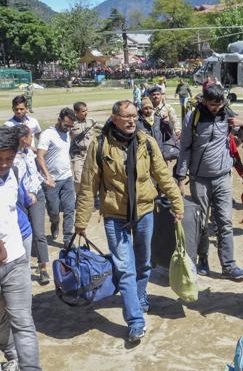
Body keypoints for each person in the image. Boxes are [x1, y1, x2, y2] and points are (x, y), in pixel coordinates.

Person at [75, 100, 184, 343]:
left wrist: (178, 204)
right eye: (126, 116)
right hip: (115, 216)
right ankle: (135, 320)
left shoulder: (146, 142)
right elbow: (87, 185)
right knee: (125, 268)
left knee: (144, 262)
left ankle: (141, 293)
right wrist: (81, 221)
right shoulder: (100, 145)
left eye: (134, 116)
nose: (132, 120)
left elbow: (163, 177)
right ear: (114, 118)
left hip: (145, 211)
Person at [175, 83, 243, 280]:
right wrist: (180, 177)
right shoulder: (193, 117)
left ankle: (229, 265)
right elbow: (184, 148)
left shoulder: (227, 113)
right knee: (201, 223)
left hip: (223, 177)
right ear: (204, 100)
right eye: (212, 104)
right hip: (199, 179)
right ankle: (203, 260)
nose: (216, 107)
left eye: (219, 103)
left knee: (225, 222)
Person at [0, 125, 41, 370]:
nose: (4, 164)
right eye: (0, 159)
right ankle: (12, 356)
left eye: (8, 158)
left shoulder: (14, 172)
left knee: (23, 322)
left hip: (15, 262)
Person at [13, 125, 50, 285]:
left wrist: (46, 180)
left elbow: (33, 174)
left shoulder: (30, 153)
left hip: (38, 196)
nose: (32, 139)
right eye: (30, 137)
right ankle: (23, 269)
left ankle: (43, 268)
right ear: (23, 138)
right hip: (20, 200)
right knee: (24, 235)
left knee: (39, 233)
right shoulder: (11, 156)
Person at [36, 108, 76, 246]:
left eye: (71, 126)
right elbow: (40, 157)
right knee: (53, 210)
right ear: (59, 120)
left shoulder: (67, 133)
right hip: (51, 181)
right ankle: (54, 223)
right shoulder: (48, 134)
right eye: (66, 125)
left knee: (70, 208)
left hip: (67, 178)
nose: (68, 128)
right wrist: (48, 177)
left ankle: (67, 238)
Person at [70, 102, 101, 193]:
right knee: (78, 180)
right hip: (78, 155)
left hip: (91, 154)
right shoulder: (71, 123)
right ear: (76, 112)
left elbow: (103, 127)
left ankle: (90, 197)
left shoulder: (91, 121)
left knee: (93, 177)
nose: (86, 112)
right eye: (83, 111)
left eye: (86, 110)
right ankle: (77, 197)